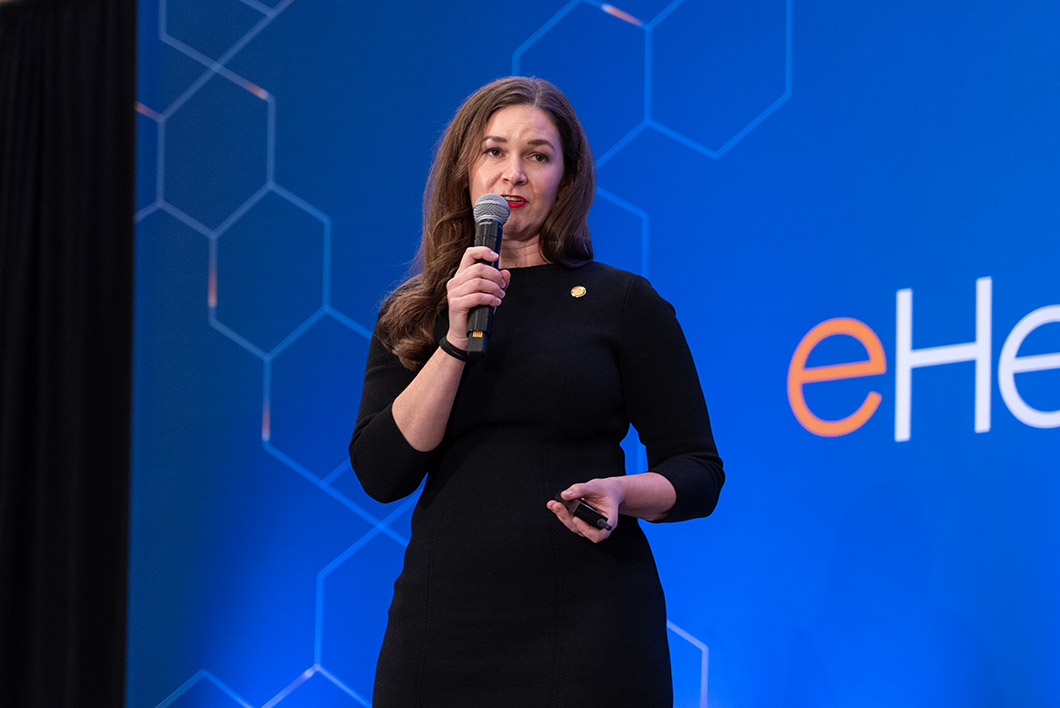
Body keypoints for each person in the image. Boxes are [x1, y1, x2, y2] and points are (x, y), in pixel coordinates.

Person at [349, 76, 724, 707]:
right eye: (494, 151)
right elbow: (382, 472)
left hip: (590, 626)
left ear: (566, 178)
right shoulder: (416, 312)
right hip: (443, 632)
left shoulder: (622, 302)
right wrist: (455, 339)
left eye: (538, 155)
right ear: (463, 170)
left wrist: (622, 493)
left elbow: (698, 471)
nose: (513, 174)